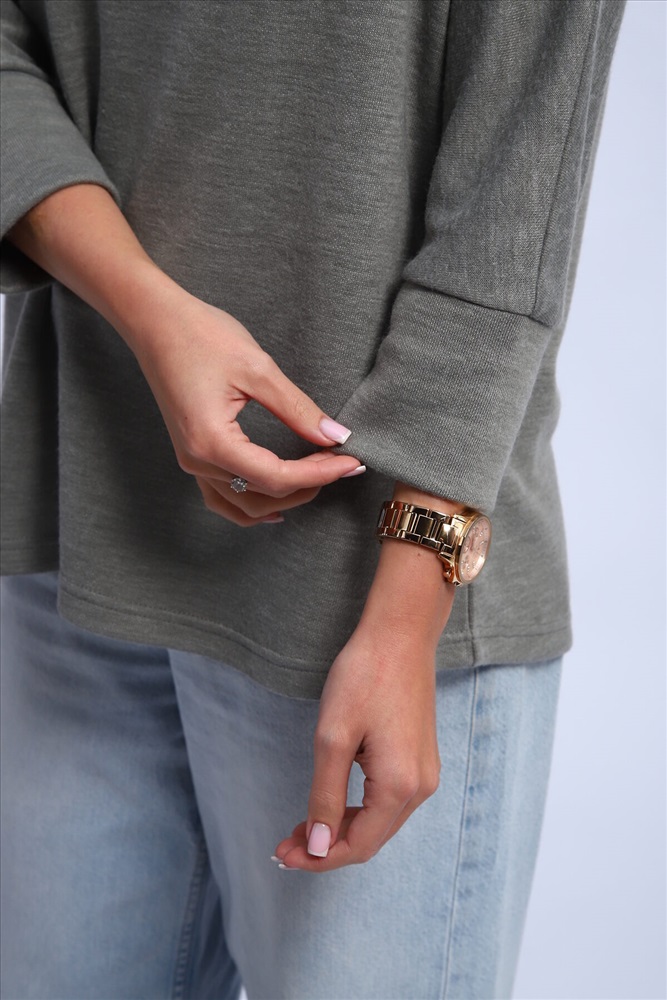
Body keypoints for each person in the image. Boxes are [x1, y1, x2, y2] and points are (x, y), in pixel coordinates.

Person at [0, 1, 624, 998]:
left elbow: (514, 211)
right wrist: (150, 313)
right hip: (82, 531)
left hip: (364, 602)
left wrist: (404, 614)